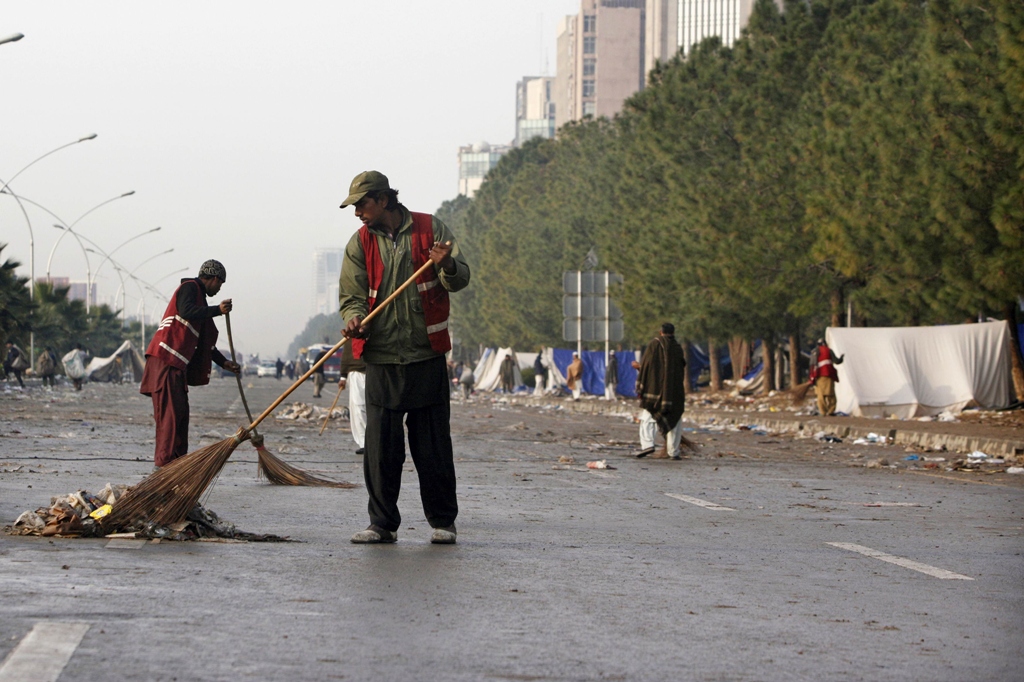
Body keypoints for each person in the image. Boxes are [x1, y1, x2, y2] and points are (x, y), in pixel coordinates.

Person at [338, 170, 470, 545]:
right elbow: (351, 295)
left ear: (383, 200)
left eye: (361, 204)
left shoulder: (431, 229)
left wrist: (446, 264)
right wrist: (353, 319)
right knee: (381, 450)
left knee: (433, 447)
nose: (357, 212)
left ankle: (443, 521)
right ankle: (381, 523)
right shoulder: (359, 243)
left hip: (425, 356)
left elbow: (460, 279)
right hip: (380, 358)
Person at [139, 260, 241, 468]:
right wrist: (217, 310)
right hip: (165, 361)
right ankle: (164, 472)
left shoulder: (201, 303)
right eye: (220, 284)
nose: (219, 289)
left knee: (180, 417)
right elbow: (186, 311)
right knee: (170, 421)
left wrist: (224, 363)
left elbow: (205, 343)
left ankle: (176, 468)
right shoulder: (189, 288)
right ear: (214, 279)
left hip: (175, 367)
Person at [635, 323, 687, 460]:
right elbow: (681, 369)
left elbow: (647, 366)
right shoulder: (677, 347)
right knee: (674, 420)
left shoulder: (654, 345)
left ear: (660, 332)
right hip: (674, 393)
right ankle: (673, 452)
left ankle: (647, 445)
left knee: (647, 418)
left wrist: (638, 368)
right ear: (673, 332)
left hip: (654, 391)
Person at [339, 340, 366, 455]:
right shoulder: (352, 333)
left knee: (366, 408)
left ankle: (370, 442)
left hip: (373, 372)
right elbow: (346, 357)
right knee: (359, 408)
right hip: (357, 373)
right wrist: (343, 377)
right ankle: (365, 442)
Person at [810, 338, 845, 417]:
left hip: (819, 376)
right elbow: (837, 361)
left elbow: (811, 365)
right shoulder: (829, 350)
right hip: (829, 375)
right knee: (831, 394)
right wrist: (842, 358)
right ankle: (831, 410)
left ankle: (823, 412)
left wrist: (811, 378)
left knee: (820, 395)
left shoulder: (814, 351)